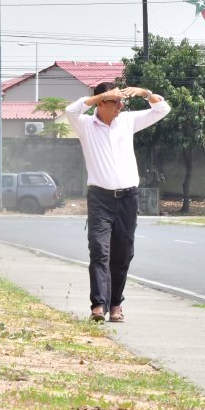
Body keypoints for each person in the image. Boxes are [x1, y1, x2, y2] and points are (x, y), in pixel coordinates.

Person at [65, 82, 170, 322]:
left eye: (123, 101)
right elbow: (71, 110)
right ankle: (98, 306)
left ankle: (115, 305)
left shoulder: (127, 121)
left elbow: (162, 109)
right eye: (116, 101)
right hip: (99, 198)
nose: (121, 106)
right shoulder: (85, 125)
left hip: (127, 198)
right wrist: (102, 95)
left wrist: (145, 93)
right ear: (101, 103)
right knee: (99, 251)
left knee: (122, 254)